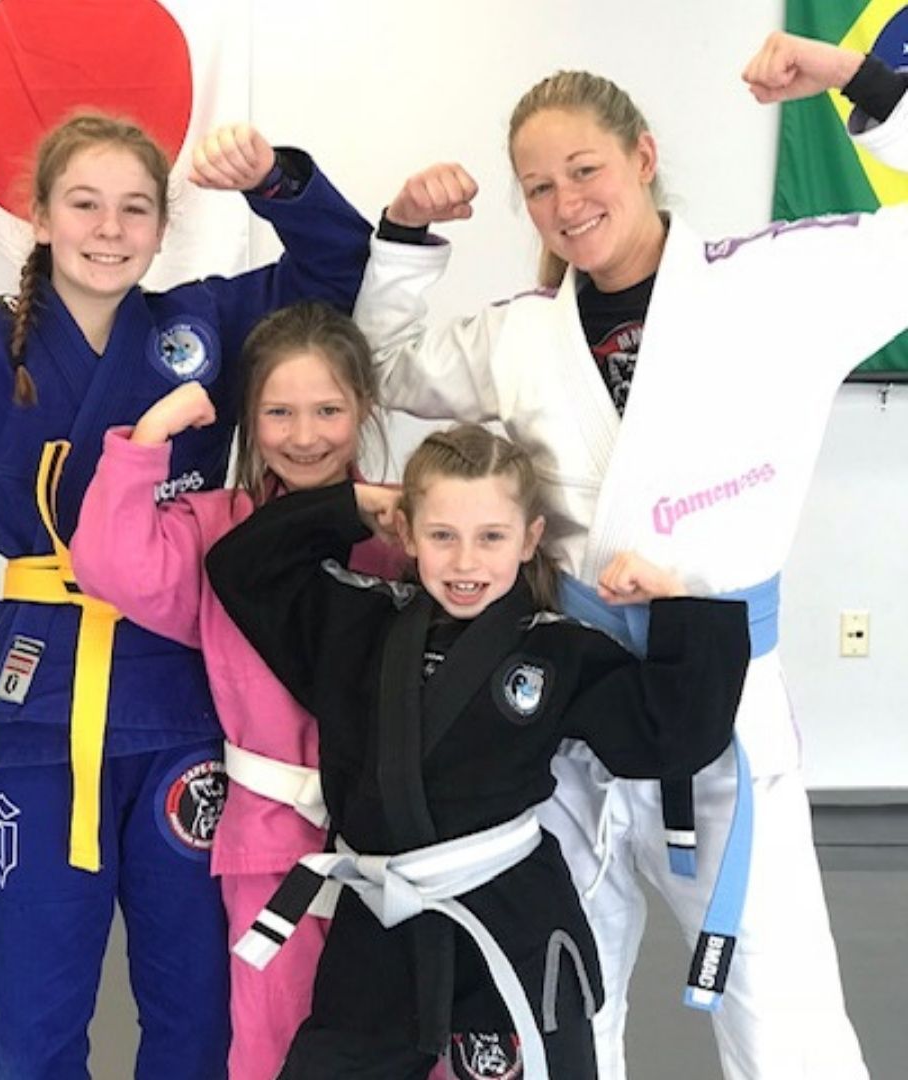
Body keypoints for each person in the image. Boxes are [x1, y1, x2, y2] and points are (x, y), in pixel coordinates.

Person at [349, 30, 908, 1080]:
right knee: (561, 992)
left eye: (586, 170)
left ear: (644, 156)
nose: (565, 203)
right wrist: (406, 233)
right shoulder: (521, 335)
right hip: (565, 706)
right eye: (538, 187)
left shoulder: (778, 284)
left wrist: (854, 80)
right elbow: (376, 365)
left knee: (779, 1007)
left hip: (722, 702)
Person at [0, 114, 372, 1078]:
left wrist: (278, 181)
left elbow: (335, 273)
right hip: (45, 705)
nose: (110, 227)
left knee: (198, 1010)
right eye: (84, 203)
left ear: (163, 229)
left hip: (185, 708)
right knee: (35, 1009)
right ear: (37, 215)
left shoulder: (200, 330)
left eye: (136, 208)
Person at [204, 422, 750, 1080]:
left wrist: (678, 605)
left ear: (529, 540)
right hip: (379, 920)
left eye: (491, 537)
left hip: (509, 916)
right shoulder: (354, 622)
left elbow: (671, 734)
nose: (466, 563)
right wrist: (348, 506)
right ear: (406, 535)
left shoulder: (556, 650)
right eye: (442, 536)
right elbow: (241, 567)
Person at [69, 300, 408, 1080]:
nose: (305, 434)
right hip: (271, 838)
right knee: (272, 1041)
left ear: (364, 409)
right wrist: (151, 438)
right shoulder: (217, 526)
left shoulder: (404, 528)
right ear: (249, 422)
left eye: (328, 410)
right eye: (279, 412)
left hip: (394, 835)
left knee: (400, 1035)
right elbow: (110, 564)